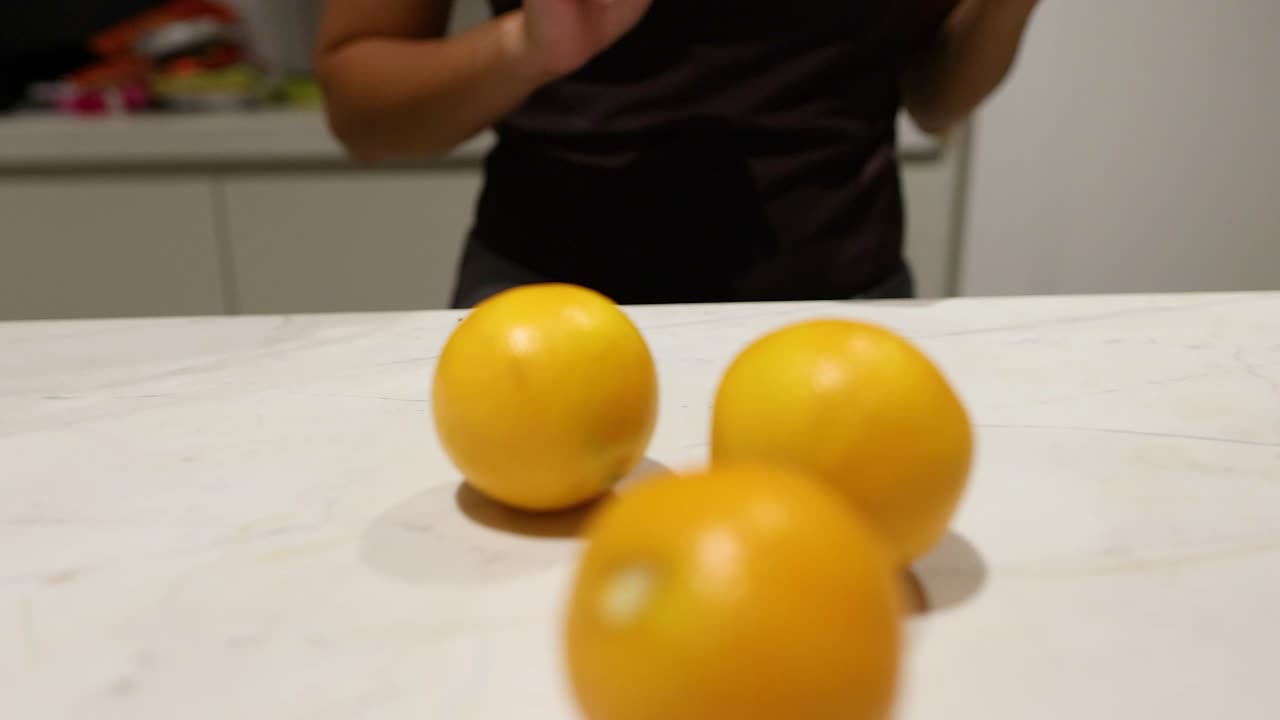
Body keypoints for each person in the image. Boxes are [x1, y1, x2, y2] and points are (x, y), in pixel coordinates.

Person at [316, 0, 1038, 307]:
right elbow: (362, 110)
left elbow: (933, 101)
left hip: (847, 298)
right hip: (553, 307)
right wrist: (525, 49)